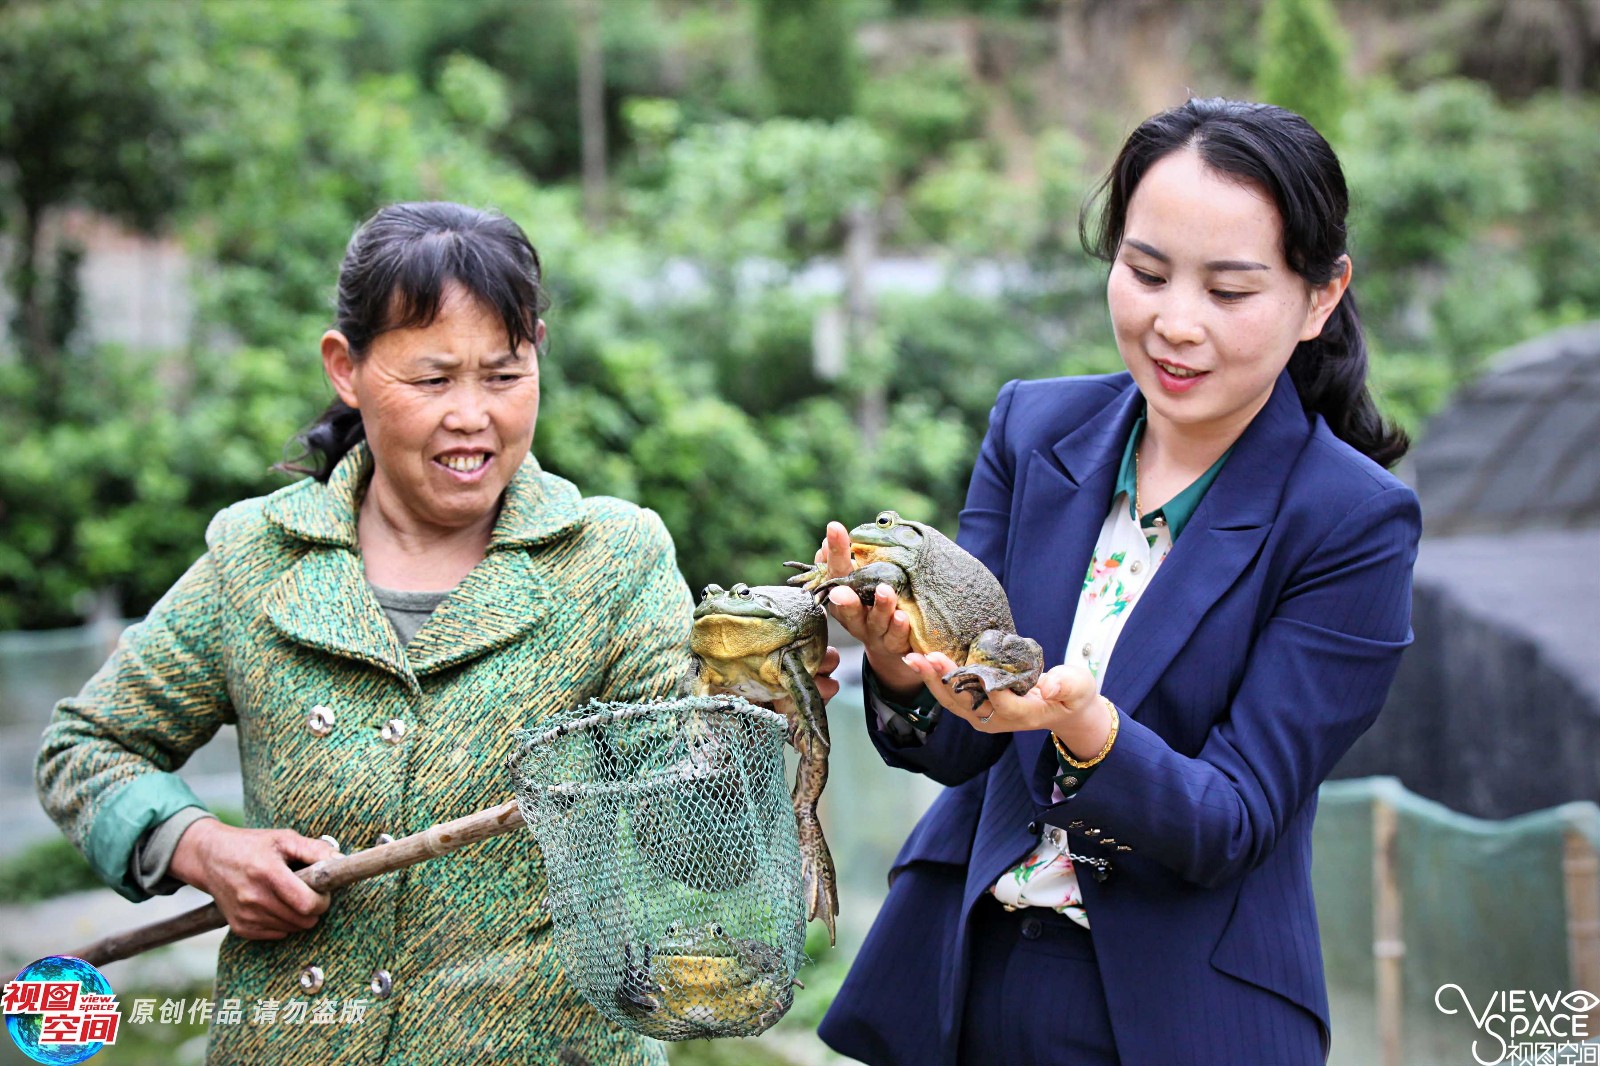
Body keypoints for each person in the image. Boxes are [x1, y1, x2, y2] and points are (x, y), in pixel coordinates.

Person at [35, 202, 837, 1063]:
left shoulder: (613, 559)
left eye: (503, 374)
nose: (472, 416)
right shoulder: (256, 559)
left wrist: (746, 720)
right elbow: (86, 746)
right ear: (346, 368)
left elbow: (698, 853)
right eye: (431, 379)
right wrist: (200, 847)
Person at [815, 98, 1421, 1066]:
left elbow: (1231, 821)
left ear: (1319, 296)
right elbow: (963, 749)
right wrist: (897, 665)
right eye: (1145, 273)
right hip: (958, 973)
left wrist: (1085, 729)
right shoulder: (1032, 431)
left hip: (1173, 1014)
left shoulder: (1352, 521)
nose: (1174, 323)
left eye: (1229, 291)